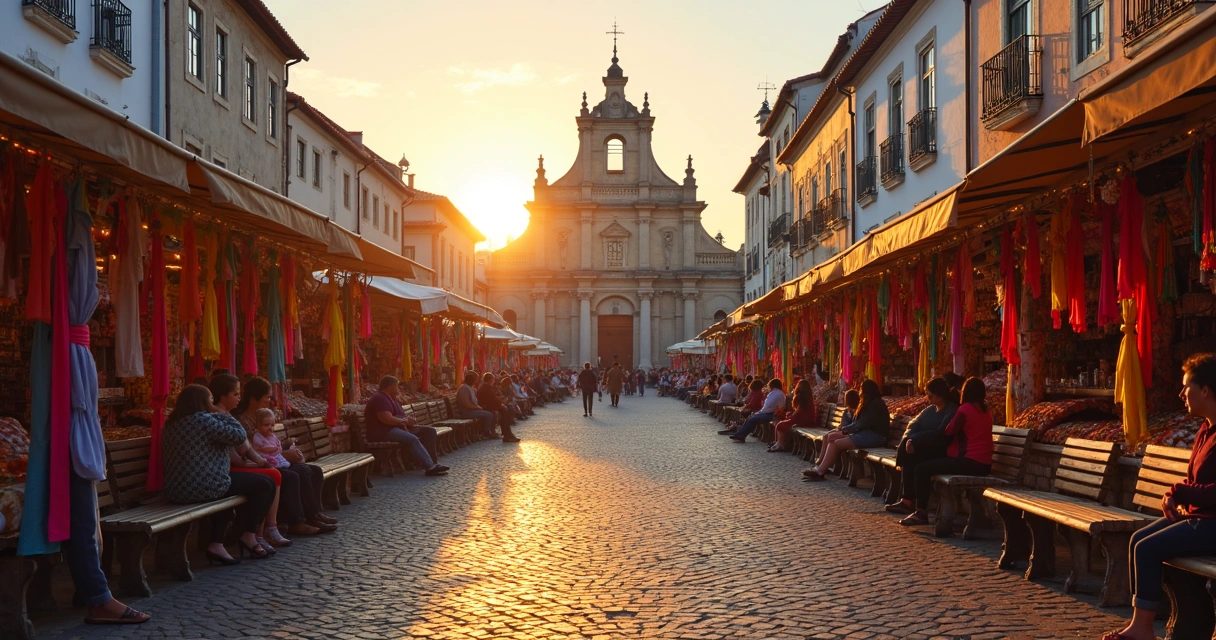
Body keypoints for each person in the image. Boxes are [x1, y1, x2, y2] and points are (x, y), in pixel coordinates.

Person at [1103, 354, 1216, 640]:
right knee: (1137, 540)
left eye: (1187, 387)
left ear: (1205, 390)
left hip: (1212, 523)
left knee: (1147, 549)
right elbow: (1194, 481)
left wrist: (1179, 492)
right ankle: (1139, 622)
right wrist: (1172, 496)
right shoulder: (1205, 429)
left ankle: (1143, 629)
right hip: (1199, 517)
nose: (1181, 394)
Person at [162, 384, 278, 563]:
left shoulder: (172, 423)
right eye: (210, 401)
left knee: (235, 489)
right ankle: (248, 535)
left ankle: (219, 543)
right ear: (202, 402)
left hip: (176, 489)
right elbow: (239, 435)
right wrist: (223, 413)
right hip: (205, 484)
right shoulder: (204, 420)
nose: (212, 404)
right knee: (266, 485)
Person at [233, 377, 336, 539]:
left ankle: (312, 515)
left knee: (312, 470)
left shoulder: (263, 416)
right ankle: (296, 522)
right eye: (266, 397)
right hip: (258, 463)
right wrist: (283, 454)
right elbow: (252, 451)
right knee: (292, 475)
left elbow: (271, 442)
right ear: (254, 398)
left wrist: (286, 445)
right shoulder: (242, 421)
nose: (269, 400)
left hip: (273, 458)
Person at [209, 375, 301, 548]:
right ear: (223, 395)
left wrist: (259, 461)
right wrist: (251, 463)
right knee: (269, 478)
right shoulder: (218, 417)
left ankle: (268, 528)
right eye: (235, 394)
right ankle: (258, 532)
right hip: (226, 470)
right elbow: (234, 450)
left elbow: (244, 446)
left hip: (236, 464)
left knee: (277, 474)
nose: (238, 397)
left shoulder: (228, 415)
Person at [896, 377, 993, 526]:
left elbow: (948, 431)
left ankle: (921, 512)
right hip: (984, 464)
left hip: (968, 461)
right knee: (923, 465)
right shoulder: (986, 411)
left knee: (922, 469)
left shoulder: (964, 409)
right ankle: (915, 507)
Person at [885, 377, 962, 514]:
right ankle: (907, 500)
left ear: (940, 395)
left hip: (943, 450)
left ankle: (916, 506)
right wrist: (909, 439)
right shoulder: (930, 410)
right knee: (909, 455)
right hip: (926, 448)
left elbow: (942, 435)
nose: (927, 398)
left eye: (930, 395)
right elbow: (914, 424)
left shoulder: (951, 410)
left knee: (917, 463)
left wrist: (914, 440)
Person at [365, 375, 451, 475]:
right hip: (384, 431)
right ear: (389, 387)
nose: (398, 388)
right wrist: (405, 422)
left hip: (396, 428)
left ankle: (433, 463)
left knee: (429, 431)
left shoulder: (392, 398)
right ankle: (430, 467)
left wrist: (408, 420)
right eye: (396, 386)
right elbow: (386, 419)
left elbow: (398, 415)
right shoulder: (380, 398)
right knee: (412, 439)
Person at [804, 379, 888, 480]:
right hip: (865, 433)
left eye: (862, 389)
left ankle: (821, 470)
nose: (860, 392)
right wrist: (846, 430)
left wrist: (845, 430)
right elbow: (859, 422)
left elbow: (864, 423)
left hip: (875, 436)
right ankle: (821, 468)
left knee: (835, 442)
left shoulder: (876, 404)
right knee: (832, 440)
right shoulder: (868, 403)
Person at [770, 378, 816, 453]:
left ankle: (780, 444)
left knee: (781, 424)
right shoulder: (808, 397)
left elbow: (798, 412)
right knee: (781, 423)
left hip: (802, 420)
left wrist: (791, 416)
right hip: (806, 419)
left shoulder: (801, 398)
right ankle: (778, 442)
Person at [477, 372, 521, 442]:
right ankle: (507, 434)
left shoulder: (488, 387)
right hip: (488, 407)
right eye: (493, 379)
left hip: (491, 405)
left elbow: (494, 398)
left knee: (509, 409)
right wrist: (502, 404)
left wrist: (501, 402)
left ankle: (507, 433)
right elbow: (493, 399)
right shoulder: (486, 388)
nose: (494, 381)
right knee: (507, 411)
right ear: (490, 380)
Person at [456, 371, 497, 439]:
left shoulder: (469, 387)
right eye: (475, 380)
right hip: (466, 412)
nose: (476, 382)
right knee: (489, 415)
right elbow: (467, 405)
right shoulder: (464, 388)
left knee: (492, 412)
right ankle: (485, 432)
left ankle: (489, 431)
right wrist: (478, 407)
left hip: (472, 410)